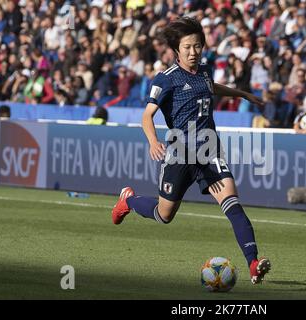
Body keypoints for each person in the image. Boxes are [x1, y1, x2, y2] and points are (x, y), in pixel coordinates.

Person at [111, 17, 271, 285]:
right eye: (187, 47)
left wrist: (242, 94)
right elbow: (147, 116)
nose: (193, 52)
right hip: (179, 155)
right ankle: (128, 200)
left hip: (209, 151)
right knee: (164, 216)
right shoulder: (166, 79)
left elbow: (211, 88)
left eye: (197, 46)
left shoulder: (205, 72)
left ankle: (253, 263)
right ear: (177, 49)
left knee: (232, 202)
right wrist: (153, 141)